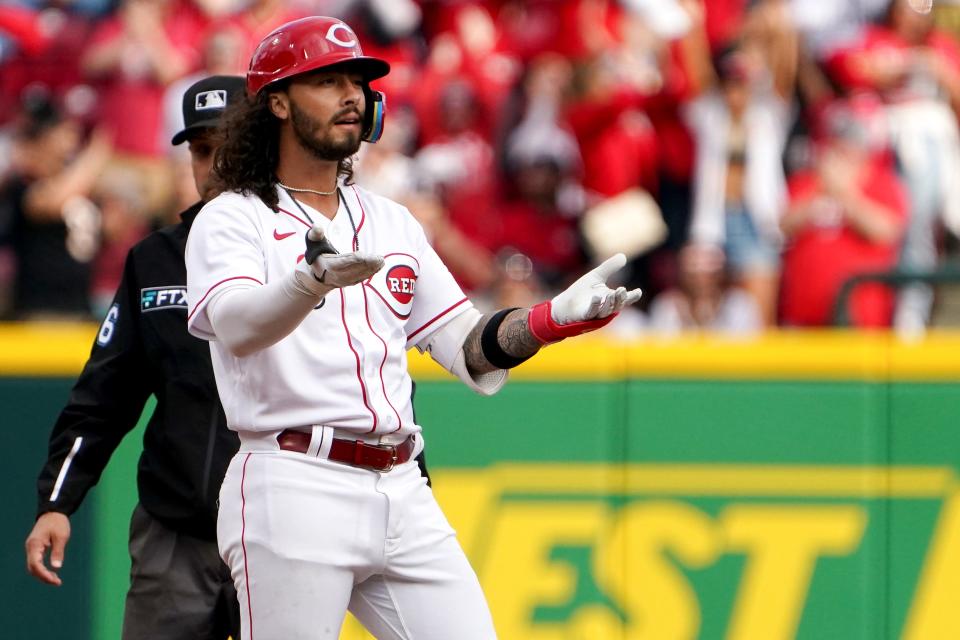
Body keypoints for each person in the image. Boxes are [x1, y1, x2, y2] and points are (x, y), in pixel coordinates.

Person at [184, 16, 642, 640]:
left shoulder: (391, 221)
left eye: (358, 81)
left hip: (401, 485)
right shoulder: (232, 218)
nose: (352, 95)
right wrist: (307, 282)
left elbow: (468, 348)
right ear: (279, 104)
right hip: (292, 479)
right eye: (328, 80)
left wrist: (549, 319)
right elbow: (235, 327)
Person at [24, 75, 247, 640]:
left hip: (278, 533)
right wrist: (57, 500)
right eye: (200, 149)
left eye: (228, 144)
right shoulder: (156, 262)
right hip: (175, 535)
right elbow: (105, 391)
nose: (213, 163)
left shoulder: (312, 254)